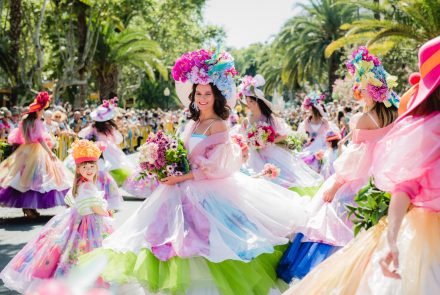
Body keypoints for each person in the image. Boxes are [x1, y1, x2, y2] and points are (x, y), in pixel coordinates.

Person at [79, 49, 308, 294]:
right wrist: (163, 162)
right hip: (180, 188)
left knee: (207, 245)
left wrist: (183, 176)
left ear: (216, 96)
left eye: (207, 94)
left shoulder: (218, 124)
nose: (202, 98)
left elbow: (219, 166)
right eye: (198, 93)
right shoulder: (193, 121)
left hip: (206, 190)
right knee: (171, 243)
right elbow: (185, 152)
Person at [283, 35, 440, 295]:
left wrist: (338, 180)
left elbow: (360, 161)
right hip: (407, 212)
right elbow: (406, 184)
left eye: (361, 85)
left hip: (367, 179)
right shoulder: (399, 118)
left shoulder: (369, 119)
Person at [277, 46, 399, 283]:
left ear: (371, 91)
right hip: (382, 176)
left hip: (358, 178)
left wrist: (335, 185)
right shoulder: (393, 114)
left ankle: (334, 276)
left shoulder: (365, 118)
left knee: (332, 218)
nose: (359, 93)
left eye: (361, 89)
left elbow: (355, 159)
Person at [0, 139, 113, 293]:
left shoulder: (80, 183)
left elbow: (71, 200)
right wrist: (106, 212)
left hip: (77, 219)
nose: (89, 169)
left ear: (96, 167)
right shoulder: (87, 185)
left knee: (71, 247)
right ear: (78, 169)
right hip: (88, 222)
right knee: (88, 248)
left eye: (92, 166)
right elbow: (94, 206)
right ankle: (87, 279)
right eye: (85, 167)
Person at [237, 75, 323, 192]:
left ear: (258, 101)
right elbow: (245, 138)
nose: (248, 104)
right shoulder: (247, 119)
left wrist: (267, 141)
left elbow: (284, 135)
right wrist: (252, 143)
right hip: (254, 154)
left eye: (251, 101)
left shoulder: (269, 118)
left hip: (270, 151)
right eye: (247, 101)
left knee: (277, 180)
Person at [0, 92, 72, 218]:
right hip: (36, 151)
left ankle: (28, 208)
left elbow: (18, 137)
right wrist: (50, 153)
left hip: (24, 150)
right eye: (42, 110)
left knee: (23, 179)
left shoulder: (24, 122)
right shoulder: (37, 122)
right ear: (38, 111)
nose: (42, 112)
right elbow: (40, 139)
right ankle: (29, 208)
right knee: (38, 179)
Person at [298, 92, 338, 172]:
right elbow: (304, 135)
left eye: (310, 109)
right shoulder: (306, 121)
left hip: (323, 144)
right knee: (307, 157)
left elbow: (329, 133)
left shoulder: (324, 121)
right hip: (311, 144)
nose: (308, 110)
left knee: (324, 159)